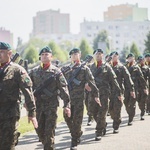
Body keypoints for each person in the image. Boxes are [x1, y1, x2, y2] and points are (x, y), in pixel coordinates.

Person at [29, 46, 71, 150]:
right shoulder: (33, 72)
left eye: (46, 54)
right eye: (42, 55)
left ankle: (49, 147)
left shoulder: (56, 72)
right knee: (39, 131)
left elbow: (63, 88)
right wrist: (29, 99)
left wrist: (67, 105)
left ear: (51, 57)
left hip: (51, 107)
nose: (44, 56)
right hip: (38, 106)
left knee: (49, 132)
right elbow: (28, 87)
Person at [0, 42, 37, 150]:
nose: (0, 55)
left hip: (10, 114)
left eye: (2, 52)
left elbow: (28, 91)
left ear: (9, 53)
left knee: (7, 145)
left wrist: (32, 112)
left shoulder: (17, 70)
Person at [62, 48, 101, 150]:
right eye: (72, 54)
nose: (74, 56)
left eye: (76, 54)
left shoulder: (84, 69)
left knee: (77, 120)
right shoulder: (66, 69)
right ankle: (77, 132)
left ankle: (74, 141)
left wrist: (96, 95)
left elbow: (92, 82)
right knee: (67, 118)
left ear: (80, 55)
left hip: (79, 99)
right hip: (68, 99)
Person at [88, 49, 122, 140]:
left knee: (102, 113)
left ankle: (99, 131)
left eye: (99, 54)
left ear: (102, 55)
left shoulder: (107, 66)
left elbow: (113, 80)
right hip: (93, 94)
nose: (98, 55)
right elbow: (86, 79)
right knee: (93, 112)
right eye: (96, 54)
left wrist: (119, 93)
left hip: (104, 94)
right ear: (94, 55)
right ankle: (103, 124)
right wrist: (86, 85)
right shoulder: (90, 67)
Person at [109, 51, 135, 133]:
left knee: (117, 109)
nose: (114, 57)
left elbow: (128, 78)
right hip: (108, 91)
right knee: (110, 110)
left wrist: (132, 89)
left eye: (116, 56)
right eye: (113, 56)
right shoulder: (107, 66)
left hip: (118, 91)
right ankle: (115, 119)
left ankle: (116, 125)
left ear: (118, 57)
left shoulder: (121, 67)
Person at [125, 53, 148, 125]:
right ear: (127, 59)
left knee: (132, 104)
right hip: (126, 88)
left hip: (135, 88)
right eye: (129, 58)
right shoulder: (124, 67)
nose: (130, 59)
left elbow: (141, 78)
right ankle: (130, 114)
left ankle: (131, 118)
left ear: (134, 59)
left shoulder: (136, 67)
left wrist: (145, 88)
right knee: (126, 103)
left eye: (131, 58)